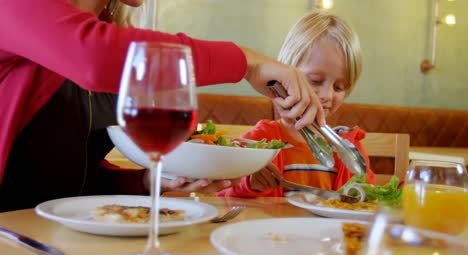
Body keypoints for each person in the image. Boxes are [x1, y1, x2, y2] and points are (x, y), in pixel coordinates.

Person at [0, 0, 325, 211]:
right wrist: (247, 61)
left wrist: (145, 182)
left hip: (55, 241)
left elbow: (67, 178)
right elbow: (96, 56)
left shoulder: (115, 46)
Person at [217, 10, 376, 198]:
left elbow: (368, 199)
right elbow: (222, 195)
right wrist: (249, 184)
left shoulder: (349, 148)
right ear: (284, 74)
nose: (327, 95)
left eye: (339, 87)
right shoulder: (259, 142)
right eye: (315, 81)